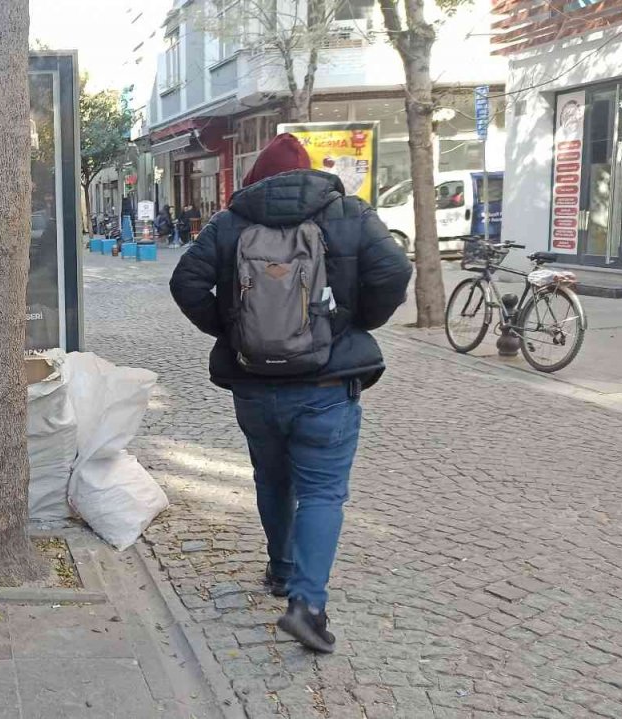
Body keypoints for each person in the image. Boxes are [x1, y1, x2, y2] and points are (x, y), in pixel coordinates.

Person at [168, 134, 411, 653]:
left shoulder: (231, 222)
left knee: (273, 478)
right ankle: (306, 605)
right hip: (326, 384)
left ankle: (280, 570)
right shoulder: (349, 213)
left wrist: (234, 329)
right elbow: (395, 270)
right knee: (322, 491)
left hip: (255, 385)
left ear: (258, 177)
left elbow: (186, 281)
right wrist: (351, 323)